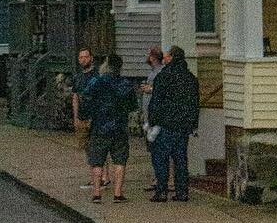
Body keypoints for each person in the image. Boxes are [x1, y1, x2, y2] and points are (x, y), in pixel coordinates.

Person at [147, 45, 200, 202]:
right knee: (181, 159)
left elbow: (156, 101)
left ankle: (162, 191)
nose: (164, 58)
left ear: (171, 58)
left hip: (165, 123)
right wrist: (193, 123)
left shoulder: (164, 76)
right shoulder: (190, 78)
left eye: (167, 56)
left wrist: (152, 121)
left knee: (161, 158)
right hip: (183, 125)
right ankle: (182, 191)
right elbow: (194, 103)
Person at [82, 52, 137, 203]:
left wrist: (84, 117)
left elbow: (85, 100)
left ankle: (96, 194)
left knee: (97, 161)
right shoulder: (126, 84)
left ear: (106, 65)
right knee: (119, 161)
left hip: (99, 126)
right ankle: (118, 194)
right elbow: (133, 106)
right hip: (119, 127)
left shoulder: (96, 82)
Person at [71, 46, 99, 139]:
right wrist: (75, 118)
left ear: (91, 58)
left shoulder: (98, 76)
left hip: (96, 120)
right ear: (78, 59)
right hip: (82, 119)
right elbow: (75, 98)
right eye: (81, 57)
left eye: (86, 57)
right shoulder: (77, 77)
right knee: (84, 147)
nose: (83, 60)